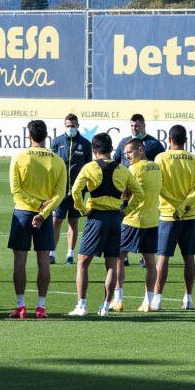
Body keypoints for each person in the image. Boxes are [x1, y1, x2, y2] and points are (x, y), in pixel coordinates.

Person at [67, 132, 143, 317]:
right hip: (116, 219)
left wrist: (83, 210)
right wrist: (125, 211)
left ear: (94, 150)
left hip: (97, 218)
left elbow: (75, 191)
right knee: (112, 264)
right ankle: (105, 306)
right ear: (111, 149)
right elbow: (139, 193)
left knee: (83, 262)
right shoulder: (123, 170)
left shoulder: (89, 167)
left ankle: (82, 305)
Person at [8, 120, 66, 319]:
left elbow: (16, 190)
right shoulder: (57, 160)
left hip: (23, 213)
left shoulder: (20, 157)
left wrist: (33, 205)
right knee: (44, 262)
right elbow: (60, 195)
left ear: (29, 136)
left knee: (19, 262)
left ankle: (21, 306)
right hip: (46, 216)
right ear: (46, 135)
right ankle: (41, 307)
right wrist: (43, 211)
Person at [153, 125, 195, 310]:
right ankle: (188, 298)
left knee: (163, 258)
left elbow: (159, 186)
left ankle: (157, 299)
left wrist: (176, 205)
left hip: (168, 215)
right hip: (189, 215)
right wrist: (184, 206)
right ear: (186, 140)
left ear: (169, 139)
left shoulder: (161, 158)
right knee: (189, 257)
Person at [118, 138, 162, 313]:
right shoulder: (156, 167)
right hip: (151, 219)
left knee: (118, 259)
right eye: (125, 153)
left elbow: (125, 194)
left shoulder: (133, 169)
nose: (127, 155)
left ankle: (118, 299)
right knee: (150, 263)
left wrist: (124, 208)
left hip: (132, 219)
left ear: (141, 150)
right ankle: (148, 302)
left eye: (130, 151)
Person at [50, 113, 91, 265]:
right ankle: (51, 253)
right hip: (60, 191)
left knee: (73, 222)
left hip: (77, 192)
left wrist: (85, 188)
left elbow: (89, 167)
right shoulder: (57, 141)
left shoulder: (85, 144)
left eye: (72, 126)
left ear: (78, 126)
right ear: (64, 126)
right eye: (68, 126)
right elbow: (51, 164)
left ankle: (70, 254)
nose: (70, 128)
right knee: (56, 221)